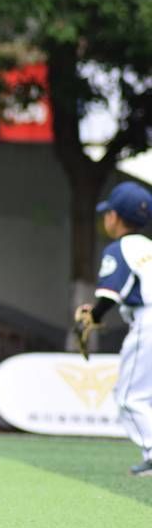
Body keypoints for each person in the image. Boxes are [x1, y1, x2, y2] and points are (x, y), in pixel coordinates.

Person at [74, 181, 152, 477]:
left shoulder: (120, 248)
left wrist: (94, 314)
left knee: (129, 397)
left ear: (114, 217)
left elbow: (108, 295)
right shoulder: (149, 247)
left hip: (148, 323)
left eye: (108, 213)